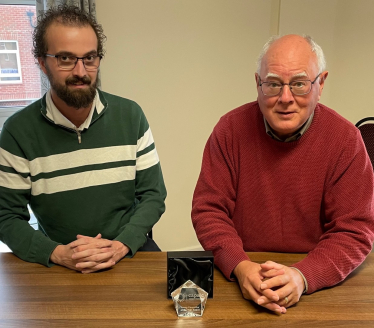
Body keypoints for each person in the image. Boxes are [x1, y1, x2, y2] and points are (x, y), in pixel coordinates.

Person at [191, 34, 374, 314]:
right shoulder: (229, 130)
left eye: (299, 84)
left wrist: (303, 276)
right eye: (273, 84)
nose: (285, 98)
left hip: (317, 280)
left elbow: (354, 231)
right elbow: (208, 211)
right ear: (258, 84)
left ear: (320, 84)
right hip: (242, 273)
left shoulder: (346, 140)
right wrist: (240, 266)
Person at [0, 5, 166, 274]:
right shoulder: (18, 132)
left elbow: (153, 195)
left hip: (127, 252)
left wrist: (121, 244)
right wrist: (55, 253)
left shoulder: (130, 116)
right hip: (58, 259)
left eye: (89, 58)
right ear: (42, 63)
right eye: (65, 58)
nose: (81, 71)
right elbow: (6, 217)